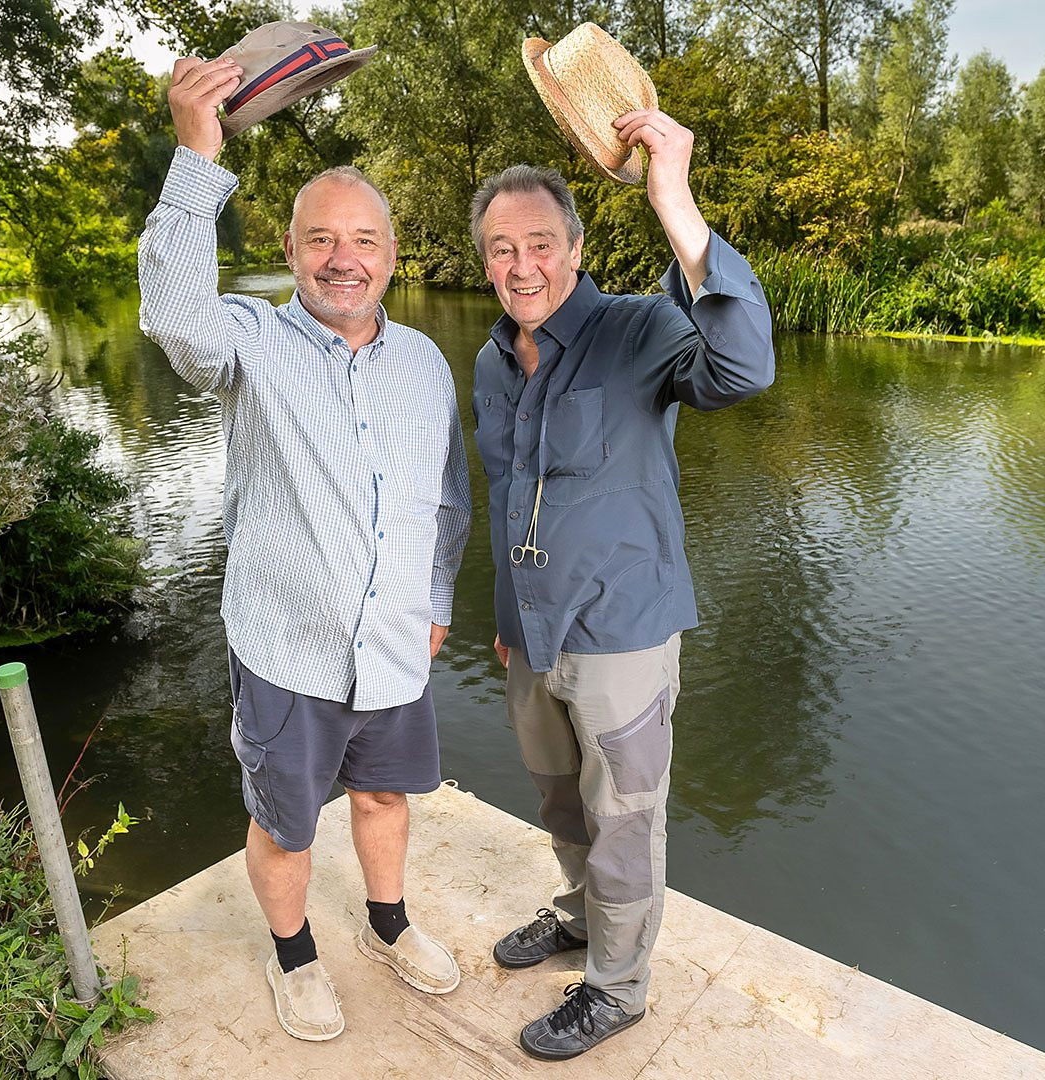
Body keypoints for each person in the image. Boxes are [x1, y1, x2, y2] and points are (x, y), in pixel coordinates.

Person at [139, 55, 471, 1043]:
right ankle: (294, 957)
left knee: (385, 795)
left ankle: (387, 924)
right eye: (320, 238)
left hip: (396, 644)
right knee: (287, 822)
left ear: (393, 255)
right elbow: (173, 317)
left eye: (363, 239)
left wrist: (438, 597)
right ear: (289, 249)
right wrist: (197, 158)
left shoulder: (426, 364)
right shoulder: (247, 341)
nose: (342, 258)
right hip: (286, 651)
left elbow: (447, 499)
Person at [469, 110, 775, 1060]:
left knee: (624, 820)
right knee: (561, 802)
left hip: (622, 638)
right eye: (502, 249)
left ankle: (617, 988)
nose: (523, 266)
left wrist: (673, 199)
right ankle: (578, 917)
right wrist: (507, 619)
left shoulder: (638, 329)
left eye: (541, 244)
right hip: (531, 636)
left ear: (576, 247)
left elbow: (743, 368)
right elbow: (507, 494)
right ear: (484, 260)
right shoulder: (490, 360)